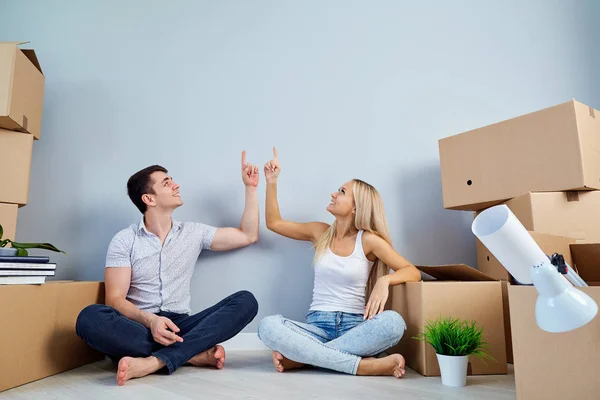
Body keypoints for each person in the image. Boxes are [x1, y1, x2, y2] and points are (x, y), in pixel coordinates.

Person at [76, 152, 260, 386]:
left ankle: (153, 362)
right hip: (139, 326)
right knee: (89, 318)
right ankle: (191, 355)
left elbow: (248, 235)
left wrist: (250, 188)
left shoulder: (193, 233)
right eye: (166, 182)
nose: (176, 185)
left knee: (246, 301)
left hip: (181, 326)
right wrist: (150, 321)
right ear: (149, 199)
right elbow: (114, 299)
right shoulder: (124, 240)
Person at [257, 147, 421, 378]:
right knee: (267, 326)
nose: (334, 194)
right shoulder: (320, 232)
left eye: (342, 192)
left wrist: (385, 280)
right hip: (316, 328)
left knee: (393, 323)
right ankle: (362, 366)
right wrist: (271, 181)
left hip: (356, 329)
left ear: (356, 208)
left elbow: (412, 271)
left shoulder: (369, 241)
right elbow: (274, 223)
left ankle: (305, 360)